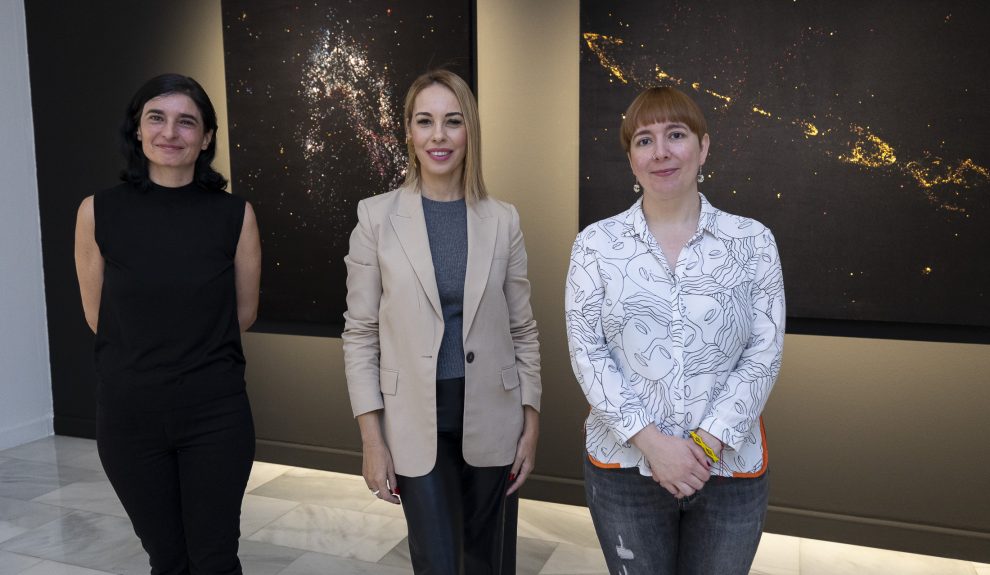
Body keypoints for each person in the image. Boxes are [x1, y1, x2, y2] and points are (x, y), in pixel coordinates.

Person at [565, 86, 785, 575]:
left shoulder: (752, 242)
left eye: (676, 134)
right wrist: (655, 446)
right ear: (630, 159)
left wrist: (702, 449)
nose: (660, 151)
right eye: (644, 140)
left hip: (728, 470)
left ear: (703, 147)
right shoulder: (596, 246)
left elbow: (763, 352)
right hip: (624, 470)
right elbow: (588, 353)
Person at [342, 69, 541, 575]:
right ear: (408, 132)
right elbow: (360, 334)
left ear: (469, 131)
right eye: (425, 121)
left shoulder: (504, 220)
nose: (439, 136)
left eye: (453, 122)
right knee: (438, 564)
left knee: (487, 563)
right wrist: (372, 441)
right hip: (412, 419)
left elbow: (523, 329)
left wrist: (530, 425)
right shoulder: (375, 218)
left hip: (494, 418)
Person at [74, 73, 261, 574]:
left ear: (206, 139)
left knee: (215, 557)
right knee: (167, 558)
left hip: (215, 416)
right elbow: (98, 316)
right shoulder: (97, 212)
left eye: (187, 122)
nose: (170, 133)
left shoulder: (235, 215)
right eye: (156, 117)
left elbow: (244, 313)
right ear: (137, 129)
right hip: (129, 417)